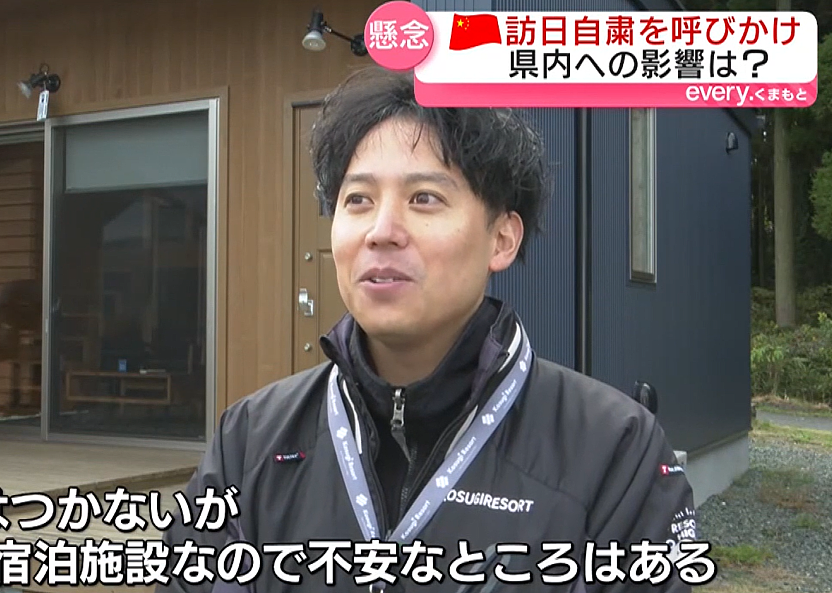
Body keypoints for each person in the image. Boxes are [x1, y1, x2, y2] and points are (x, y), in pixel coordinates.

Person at [157, 67, 701, 593]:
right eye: (358, 200)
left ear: (502, 239)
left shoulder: (616, 452)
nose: (381, 231)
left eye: (424, 198)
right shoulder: (249, 440)